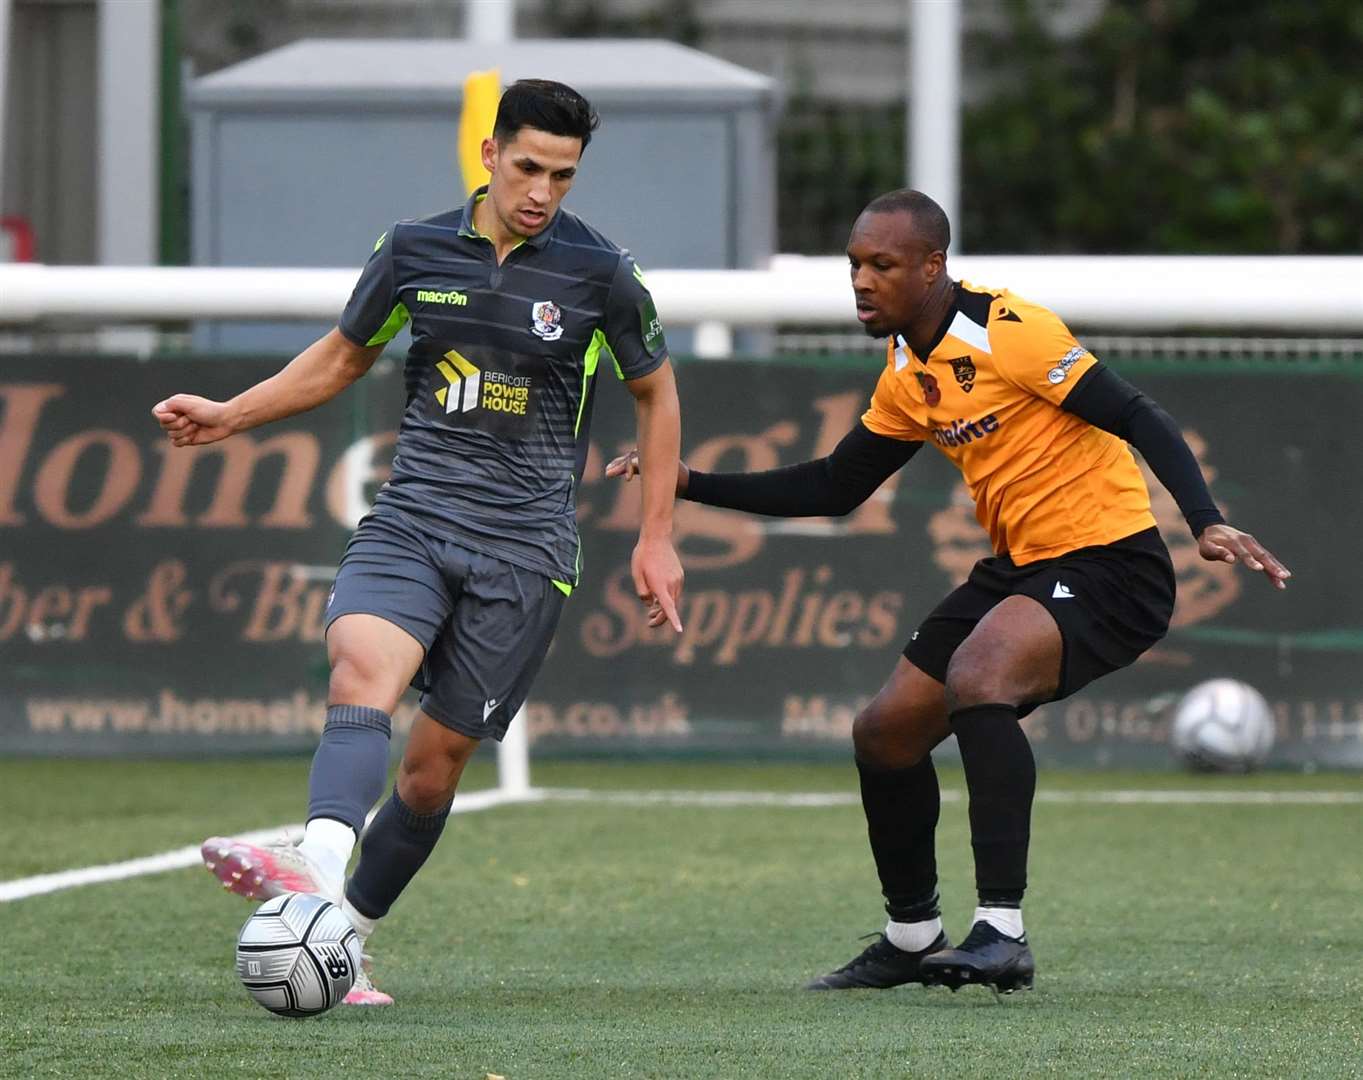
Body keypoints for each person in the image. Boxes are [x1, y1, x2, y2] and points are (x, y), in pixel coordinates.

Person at [608, 189, 1289, 994]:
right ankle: (911, 936)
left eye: (882, 266)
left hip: (1111, 564)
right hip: (1021, 567)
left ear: (932, 266)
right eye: (855, 265)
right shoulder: (905, 373)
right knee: (884, 734)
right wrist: (687, 480)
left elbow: (1138, 413)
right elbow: (833, 487)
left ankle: (1002, 931)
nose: (861, 282)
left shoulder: (1010, 331)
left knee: (980, 676)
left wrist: (1203, 520)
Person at [153, 79, 685, 1006]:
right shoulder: (412, 249)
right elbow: (342, 355)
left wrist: (657, 537)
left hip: (523, 549)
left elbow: (657, 394)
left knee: (431, 773)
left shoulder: (602, 274)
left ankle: (344, 937)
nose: (542, 191)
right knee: (361, 667)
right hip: (415, 515)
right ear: (489, 152)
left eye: (562, 176)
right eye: (527, 167)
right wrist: (232, 414)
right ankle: (316, 857)